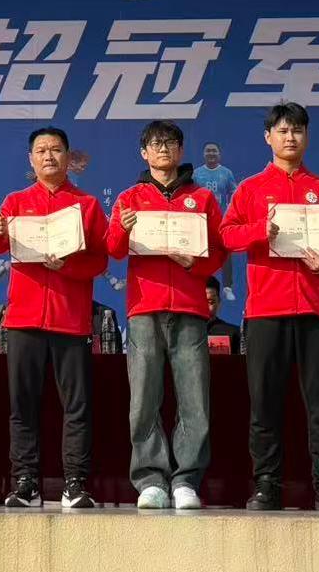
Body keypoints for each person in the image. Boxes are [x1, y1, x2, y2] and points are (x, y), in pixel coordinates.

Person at [218, 102, 319, 512]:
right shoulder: (250, 188)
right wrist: (260, 231)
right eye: (282, 130)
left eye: (297, 130)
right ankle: (266, 484)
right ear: (268, 137)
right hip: (267, 310)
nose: (290, 137)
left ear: (307, 136)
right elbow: (227, 236)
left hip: (316, 309)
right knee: (265, 401)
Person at [0, 126, 109, 509]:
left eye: (56, 150)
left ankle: (75, 482)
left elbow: (101, 260)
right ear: (31, 159)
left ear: (69, 157)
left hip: (70, 319)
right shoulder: (16, 201)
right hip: (24, 319)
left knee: (77, 407)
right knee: (22, 405)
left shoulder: (87, 205)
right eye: (41, 150)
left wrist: (68, 266)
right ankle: (26, 482)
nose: (49, 156)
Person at [106, 119, 226, 511]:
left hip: (190, 307)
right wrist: (122, 231)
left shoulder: (202, 198)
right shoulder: (129, 198)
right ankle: (150, 479)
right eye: (155, 144)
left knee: (195, 399)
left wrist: (196, 262)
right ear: (144, 152)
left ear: (181, 149)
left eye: (170, 142)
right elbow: (112, 250)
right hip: (144, 308)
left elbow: (220, 250)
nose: (163, 149)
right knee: (143, 399)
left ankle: (187, 479)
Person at [194, 143, 239, 299]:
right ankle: (202, 285)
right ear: (204, 154)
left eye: (214, 151)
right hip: (201, 221)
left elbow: (234, 193)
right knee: (202, 254)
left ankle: (227, 287)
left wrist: (230, 211)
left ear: (219, 154)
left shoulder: (226, 173)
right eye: (208, 150)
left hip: (221, 221)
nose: (211, 153)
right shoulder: (196, 174)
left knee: (225, 252)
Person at [203, 278, 242, 353]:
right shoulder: (182, 334)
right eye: (201, 301)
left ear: (219, 302)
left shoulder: (233, 333)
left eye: (211, 302)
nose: (205, 308)